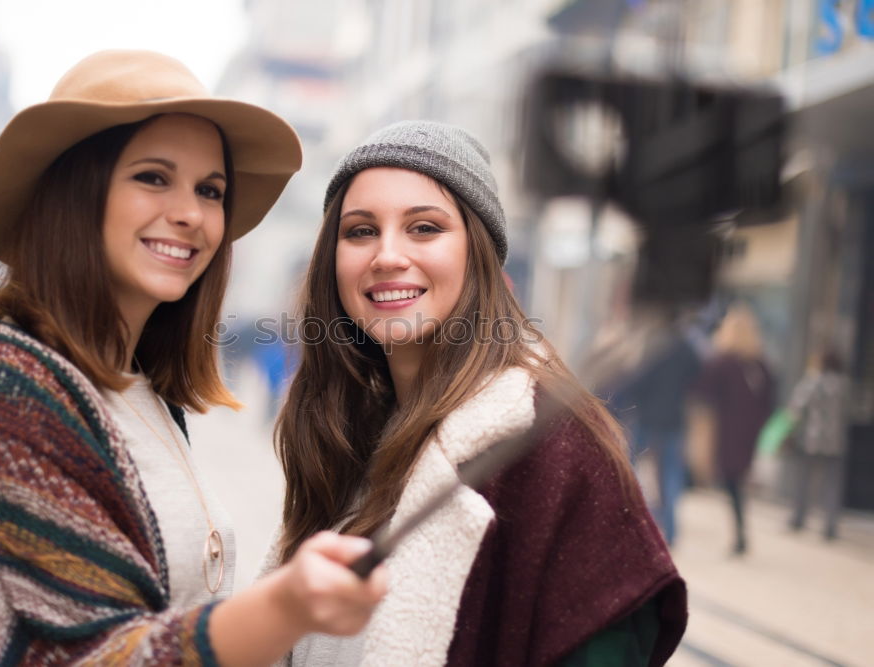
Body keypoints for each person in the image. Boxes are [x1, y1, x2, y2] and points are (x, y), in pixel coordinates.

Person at [0, 50, 385, 665]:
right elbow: (82, 653)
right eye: (153, 177)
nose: (191, 214)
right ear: (79, 191)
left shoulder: (144, 391)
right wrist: (281, 610)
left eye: (211, 190)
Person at [264, 121, 687, 666]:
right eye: (360, 231)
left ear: (477, 255)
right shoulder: (346, 437)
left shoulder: (554, 449)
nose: (387, 255)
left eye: (423, 228)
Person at [690, 304, 775, 555]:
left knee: (731, 480)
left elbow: (702, 393)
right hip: (749, 431)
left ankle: (740, 535)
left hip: (725, 430)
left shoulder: (722, 362)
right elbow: (770, 400)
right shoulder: (761, 364)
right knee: (735, 479)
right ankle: (740, 533)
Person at [786, 347, 849, 540]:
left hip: (812, 439)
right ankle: (830, 526)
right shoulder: (844, 385)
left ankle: (799, 517)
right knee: (832, 485)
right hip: (835, 441)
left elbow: (796, 407)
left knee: (804, 481)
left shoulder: (813, 382)